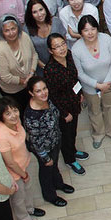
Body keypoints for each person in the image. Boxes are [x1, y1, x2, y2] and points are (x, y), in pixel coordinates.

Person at [0, 98, 47, 220]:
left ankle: (30, 209)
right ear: (1, 116)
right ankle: (25, 219)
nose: (14, 115)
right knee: (18, 198)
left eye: (15, 110)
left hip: (25, 162)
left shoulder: (17, 123)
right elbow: (10, 163)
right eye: (8, 113)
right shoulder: (1, 136)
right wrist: (23, 175)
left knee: (28, 190)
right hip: (14, 173)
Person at [71, 15, 111, 149]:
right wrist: (97, 85)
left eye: (93, 29)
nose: (90, 33)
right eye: (86, 30)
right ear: (80, 32)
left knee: (109, 107)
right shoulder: (76, 49)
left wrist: (106, 82)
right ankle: (98, 134)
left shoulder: (106, 39)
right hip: (90, 87)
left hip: (108, 83)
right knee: (94, 111)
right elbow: (79, 73)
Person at [24, 77, 75, 206]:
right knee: (46, 169)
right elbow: (36, 142)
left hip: (55, 140)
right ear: (31, 93)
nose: (43, 93)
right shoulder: (32, 116)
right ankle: (50, 195)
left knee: (55, 164)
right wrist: (45, 158)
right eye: (38, 91)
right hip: (44, 149)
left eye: (44, 88)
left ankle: (58, 183)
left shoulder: (47, 100)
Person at [44, 33, 88, 174]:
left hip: (74, 101)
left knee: (73, 131)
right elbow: (52, 95)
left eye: (63, 44)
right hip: (64, 108)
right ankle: (69, 159)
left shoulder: (68, 55)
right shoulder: (50, 69)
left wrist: (80, 93)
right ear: (51, 51)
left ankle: (73, 150)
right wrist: (64, 113)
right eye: (57, 47)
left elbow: (75, 78)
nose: (62, 48)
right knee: (66, 134)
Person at [0, 15, 38, 111]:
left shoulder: (24, 37)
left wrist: (31, 73)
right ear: (2, 32)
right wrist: (25, 81)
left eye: (13, 28)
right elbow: (6, 77)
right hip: (12, 91)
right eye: (7, 30)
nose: (11, 33)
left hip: (29, 83)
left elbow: (34, 55)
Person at [25, 0, 67, 72]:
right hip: (41, 68)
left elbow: (64, 42)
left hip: (61, 64)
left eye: (41, 10)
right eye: (35, 12)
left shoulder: (56, 22)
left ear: (45, 9)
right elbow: (29, 52)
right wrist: (45, 67)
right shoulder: (26, 29)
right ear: (30, 14)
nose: (39, 14)